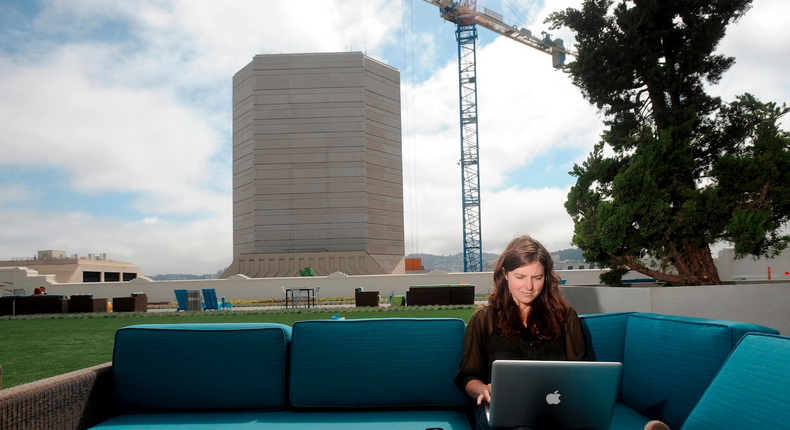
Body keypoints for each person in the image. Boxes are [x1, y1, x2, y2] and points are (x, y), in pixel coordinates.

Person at [454, 234, 587, 430]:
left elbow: (581, 374)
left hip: (554, 409)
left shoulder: (565, 317)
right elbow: (467, 376)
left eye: (537, 277)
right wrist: (483, 389)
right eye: (520, 277)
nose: (529, 286)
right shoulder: (483, 320)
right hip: (502, 411)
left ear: (547, 277)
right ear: (505, 274)